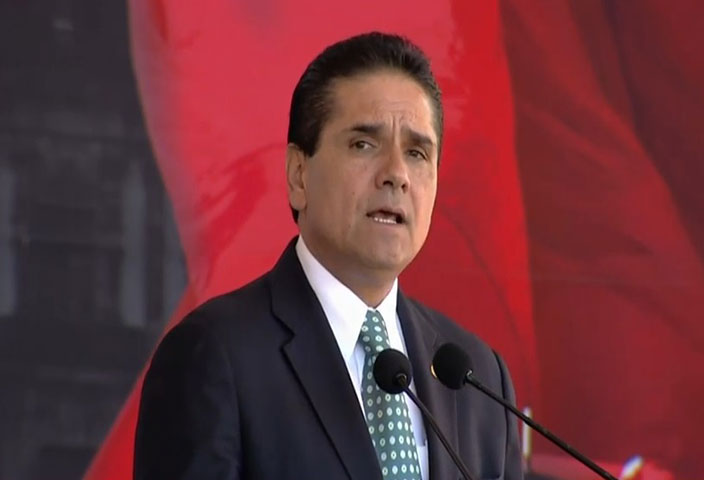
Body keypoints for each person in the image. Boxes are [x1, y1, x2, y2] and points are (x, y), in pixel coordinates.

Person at [134, 32, 522, 480]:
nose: (396, 174)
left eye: (417, 153)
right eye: (364, 144)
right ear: (298, 175)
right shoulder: (214, 357)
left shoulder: (477, 377)